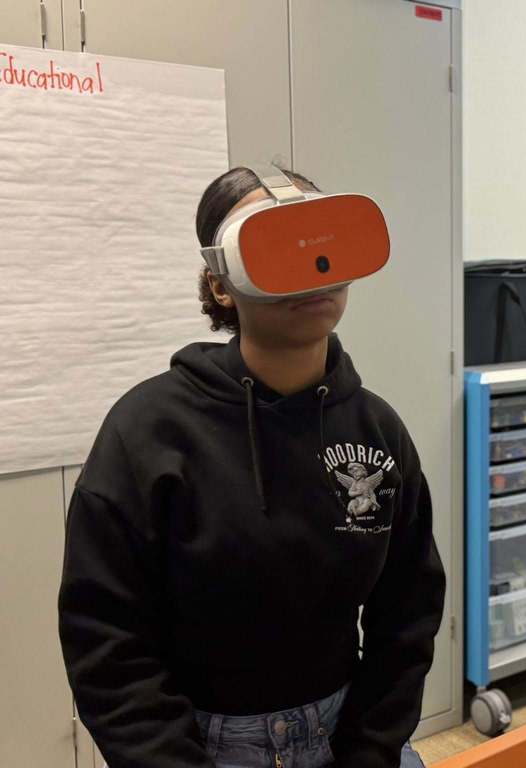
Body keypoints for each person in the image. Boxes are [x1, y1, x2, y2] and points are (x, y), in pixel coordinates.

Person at [58, 166, 445, 768]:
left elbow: (409, 612)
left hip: (349, 738)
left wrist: (370, 750)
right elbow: (108, 643)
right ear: (220, 286)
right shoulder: (147, 434)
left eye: (321, 239)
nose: (312, 268)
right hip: (200, 747)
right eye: (272, 244)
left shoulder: (377, 431)